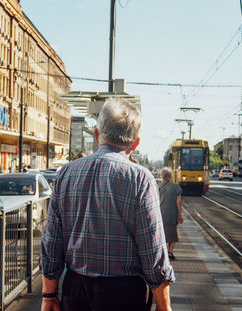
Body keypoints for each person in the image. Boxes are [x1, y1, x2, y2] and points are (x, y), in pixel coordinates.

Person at [40, 99, 174, 311]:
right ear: (135, 143)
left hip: (76, 291)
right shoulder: (141, 179)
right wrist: (164, 304)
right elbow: (153, 251)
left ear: (96, 134)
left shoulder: (66, 173)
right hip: (124, 294)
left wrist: (49, 296)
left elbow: (51, 242)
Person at [158, 167, 183, 261]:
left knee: (161, 235)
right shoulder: (176, 187)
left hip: (160, 214)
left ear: (162, 176)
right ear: (171, 176)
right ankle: (170, 252)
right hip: (172, 215)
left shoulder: (158, 187)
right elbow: (179, 202)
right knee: (172, 235)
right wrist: (180, 215)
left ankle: (162, 253)